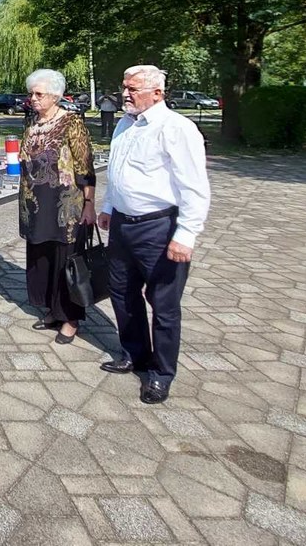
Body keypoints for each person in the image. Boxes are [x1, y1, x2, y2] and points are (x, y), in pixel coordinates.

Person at [98, 64, 210, 405]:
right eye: (124, 87)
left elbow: (194, 186)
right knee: (122, 293)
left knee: (163, 304)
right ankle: (134, 353)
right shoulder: (124, 124)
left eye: (133, 89)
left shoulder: (177, 129)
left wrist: (186, 234)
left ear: (157, 93)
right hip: (122, 224)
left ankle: (161, 373)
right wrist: (108, 205)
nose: (125, 94)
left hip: (159, 228)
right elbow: (118, 172)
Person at [19, 70, 97, 345]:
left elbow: (84, 167)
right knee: (43, 258)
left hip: (65, 205)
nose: (33, 99)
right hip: (37, 205)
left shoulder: (71, 123)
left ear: (55, 96)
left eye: (39, 94)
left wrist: (89, 203)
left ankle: (71, 318)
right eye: (32, 94)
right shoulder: (32, 123)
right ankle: (52, 309)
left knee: (66, 260)